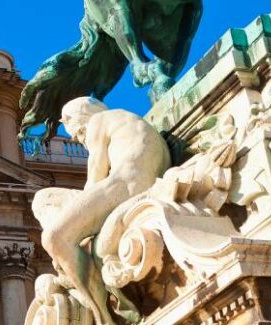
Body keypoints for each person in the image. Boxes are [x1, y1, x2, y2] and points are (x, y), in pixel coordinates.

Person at [31, 97, 170, 325]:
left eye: (75, 132)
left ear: (80, 119)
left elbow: (94, 179)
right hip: (135, 186)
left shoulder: (98, 122)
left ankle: (102, 317)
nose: (75, 139)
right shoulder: (132, 124)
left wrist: (72, 232)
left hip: (122, 187)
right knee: (46, 202)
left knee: (54, 236)